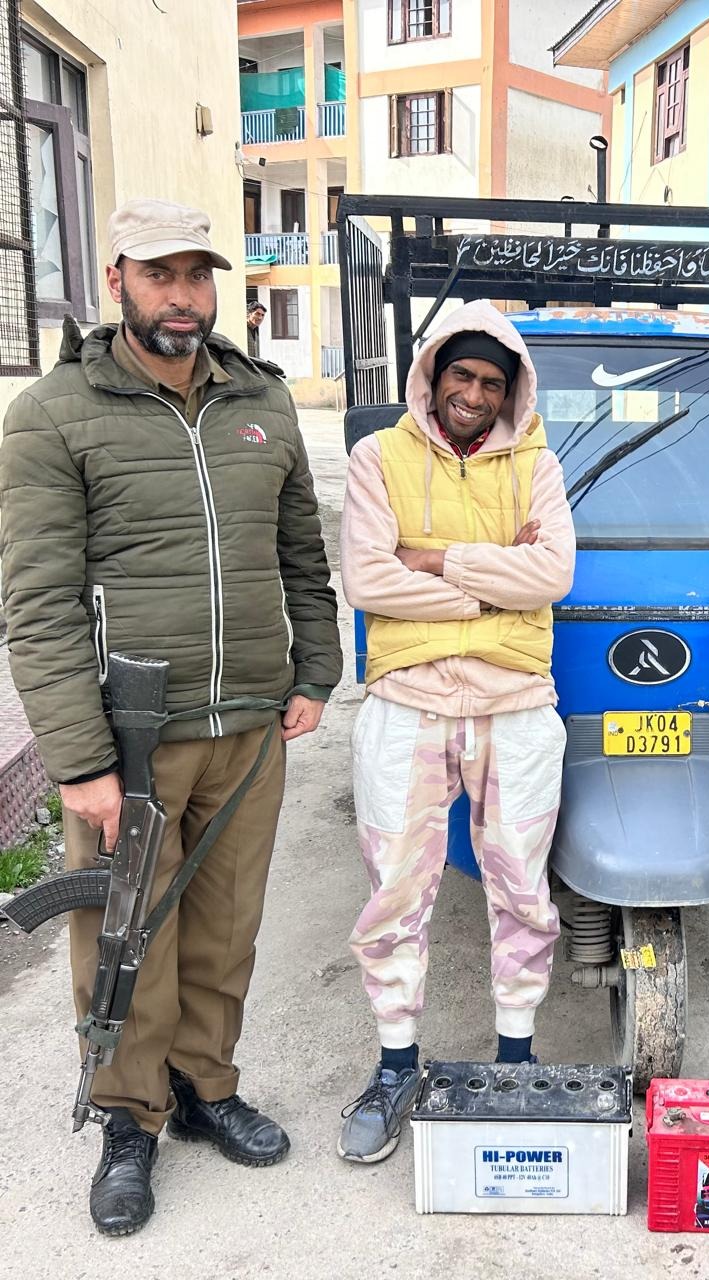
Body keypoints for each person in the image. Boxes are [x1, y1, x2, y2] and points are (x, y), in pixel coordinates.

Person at [0, 198, 342, 1234]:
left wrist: (314, 671)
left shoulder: (261, 400)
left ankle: (203, 1087)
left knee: (225, 931)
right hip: (132, 734)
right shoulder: (54, 413)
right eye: (160, 274)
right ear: (118, 281)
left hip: (248, 728)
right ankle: (127, 1117)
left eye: (198, 275)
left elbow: (300, 554)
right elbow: (38, 602)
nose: (182, 296)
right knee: (125, 939)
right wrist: (79, 758)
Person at [337, 300, 575, 1163]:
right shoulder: (378, 457)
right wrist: (494, 592)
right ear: (432, 376)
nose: (474, 395)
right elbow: (368, 580)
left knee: (522, 888)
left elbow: (554, 573)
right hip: (408, 703)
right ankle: (396, 1064)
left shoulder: (537, 462)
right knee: (396, 891)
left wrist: (434, 559)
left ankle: (516, 1058)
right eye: (462, 375)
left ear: (512, 390)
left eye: (492, 382)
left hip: (517, 707)